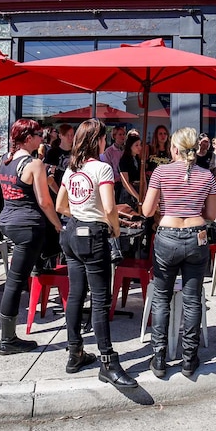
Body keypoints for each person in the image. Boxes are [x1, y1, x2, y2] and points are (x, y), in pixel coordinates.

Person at [55, 119, 137, 388]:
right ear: (98, 140)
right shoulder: (102, 168)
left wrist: (80, 214)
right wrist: (113, 228)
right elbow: (111, 207)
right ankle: (107, 361)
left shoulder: (72, 169)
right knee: (100, 300)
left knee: (76, 295)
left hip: (72, 233)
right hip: (94, 235)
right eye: (103, 138)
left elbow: (60, 205)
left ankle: (74, 352)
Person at [142, 127, 216, 379]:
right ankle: (188, 358)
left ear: (174, 149)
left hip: (167, 235)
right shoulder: (207, 176)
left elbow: (146, 210)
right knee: (192, 298)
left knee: (162, 298)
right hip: (197, 236)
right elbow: (211, 215)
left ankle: (159, 357)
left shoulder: (161, 172)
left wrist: (165, 205)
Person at [0, 119, 63, 355]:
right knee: (15, 282)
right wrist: (57, 226)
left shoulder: (5, 160)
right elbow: (45, 201)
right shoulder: (34, 164)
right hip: (28, 225)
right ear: (27, 138)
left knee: (17, 278)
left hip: (8, 221)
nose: (42, 137)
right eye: (38, 134)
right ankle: (8, 339)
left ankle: (11, 335)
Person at [45, 123, 74, 193]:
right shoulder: (53, 152)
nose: (70, 138)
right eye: (67, 135)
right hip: (56, 191)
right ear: (60, 136)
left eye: (72, 135)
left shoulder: (76, 152)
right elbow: (49, 178)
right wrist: (59, 194)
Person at [117, 131, 143, 207]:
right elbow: (125, 183)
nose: (139, 147)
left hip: (138, 190)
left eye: (140, 145)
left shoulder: (138, 159)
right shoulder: (124, 160)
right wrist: (137, 196)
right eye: (136, 145)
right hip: (128, 194)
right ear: (130, 146)